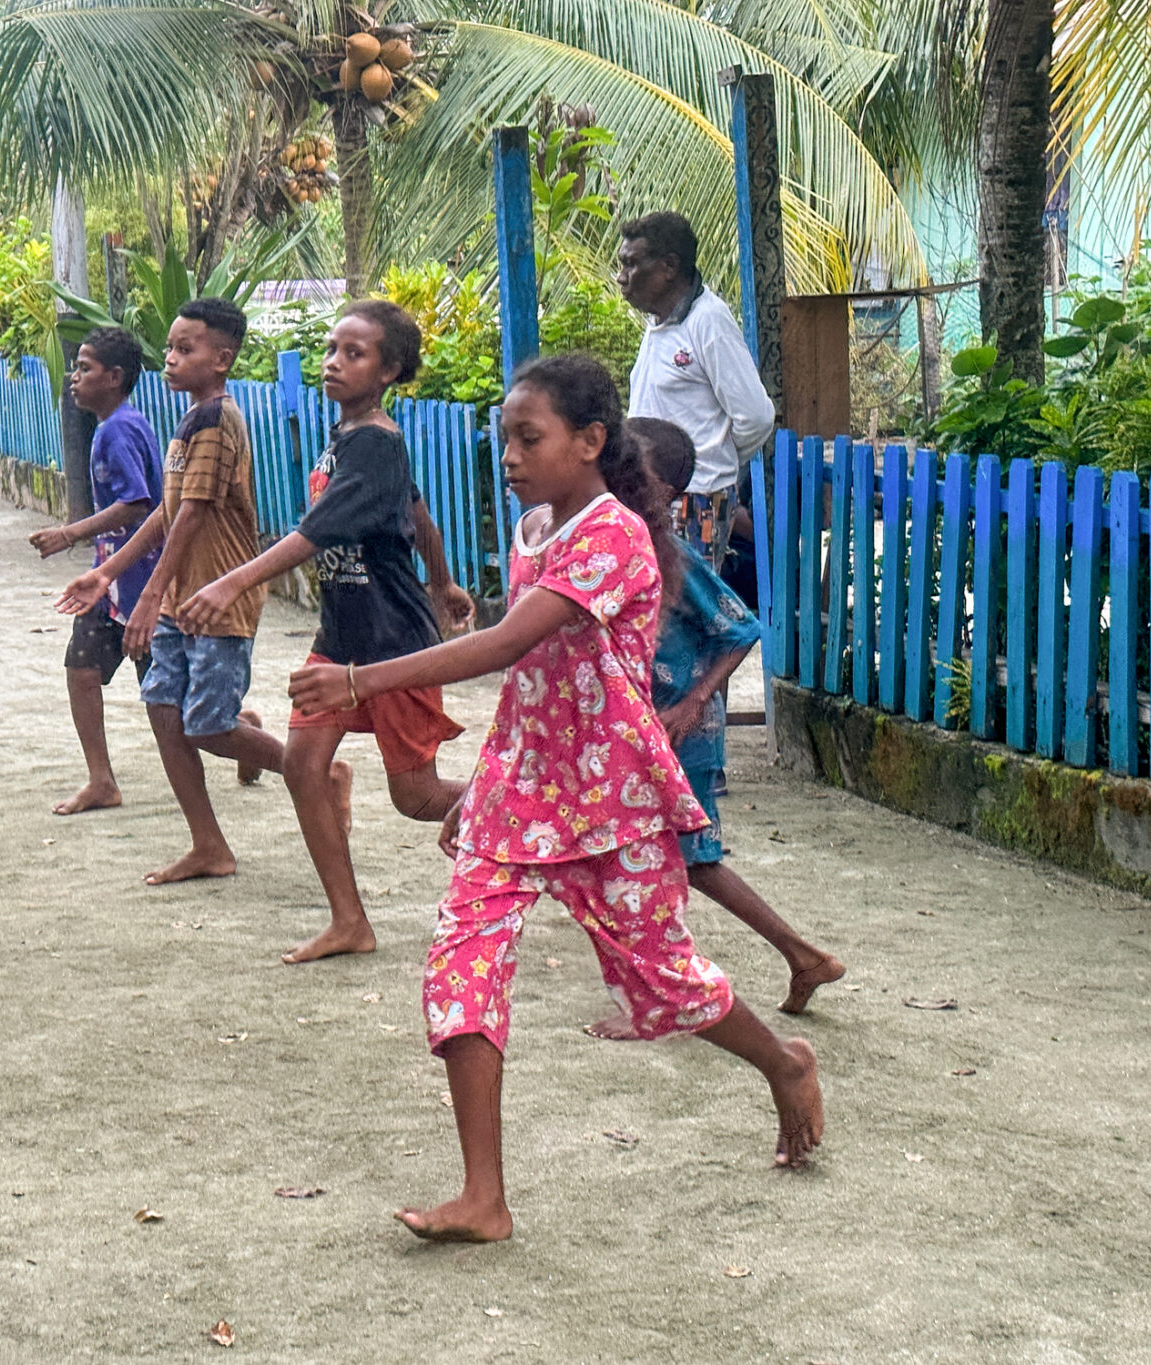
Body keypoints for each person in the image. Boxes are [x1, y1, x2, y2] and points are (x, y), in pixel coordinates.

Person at [289, 354, 825, 1244]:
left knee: (664, 980)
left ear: (590, 441)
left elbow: (506, 644)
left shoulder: (612, 535)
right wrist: (487, 780)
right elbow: (532, 677)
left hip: (608, 793)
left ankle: (783, 1060)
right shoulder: (538, 524)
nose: (510, 453)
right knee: (461, 962)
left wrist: (357, 681)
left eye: (528, 437)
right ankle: (483, 1197)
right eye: (505, 436)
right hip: (519, 787)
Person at [178, 301, 474, 963]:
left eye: (355, 352)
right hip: (340, 635)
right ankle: (349, 921)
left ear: (391, 369)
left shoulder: (376, 440)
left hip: (393, 642)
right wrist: (446, 578)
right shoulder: (351, 436)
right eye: (332, 348)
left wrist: (234, 580)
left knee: (418, 796)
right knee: (303, 766)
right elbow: (417, 505)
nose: (335, 362)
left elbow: (317, 533)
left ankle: (529, 810)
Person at [591, 416, 841, 1028]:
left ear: (662, 493)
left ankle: (670, 994)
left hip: (679, 732)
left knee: (680, 861)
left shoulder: (667, 551)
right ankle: (797, 956)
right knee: (664, 859)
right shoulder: (608, 539)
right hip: (640, 729)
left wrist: (693, 702)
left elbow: (741, 628)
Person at [56, 299, 284, 885]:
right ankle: (209, 844)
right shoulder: (189, 421)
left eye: (188, 349)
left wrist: (151, 592)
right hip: (184, 597)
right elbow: (165, 510)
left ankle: (310, 770)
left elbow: (194, 517)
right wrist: (108, 574)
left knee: (207, 725)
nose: (173, 359)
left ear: (223, 359)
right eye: (172, 348)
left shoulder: (216, 421)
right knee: (163, 708)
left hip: (218, 597)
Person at [27, 326, 163, 816]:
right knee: (81, 668)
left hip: (143, 582)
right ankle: (101, 779)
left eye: (85, 368)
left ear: (115, 377)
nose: (74, 378)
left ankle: (241, 733)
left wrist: (69, 533)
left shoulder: (118, 429)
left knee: (167, 695)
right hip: (110, 584)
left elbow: (137, 502)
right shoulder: (113, 426)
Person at [617, 211, 774, 570]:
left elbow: (757, 417)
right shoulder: (659, 324)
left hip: (695, 502)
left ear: (669, 266)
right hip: (655, 496)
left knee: (685, 615)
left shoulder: (708, 321)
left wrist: (710, 463)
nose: (621, 277)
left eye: (631, 264)